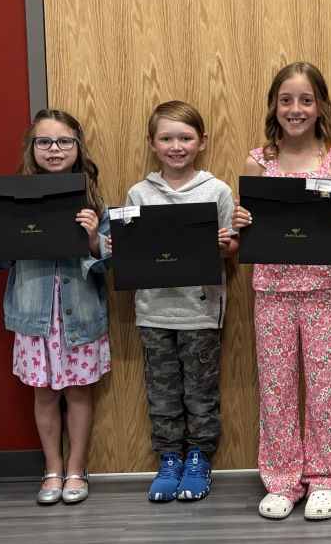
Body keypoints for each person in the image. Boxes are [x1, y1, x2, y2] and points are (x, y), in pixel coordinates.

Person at [232, 62, 331, 521]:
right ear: (274, 105)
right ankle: (283, 479)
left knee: (325, 388)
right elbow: (247, 223)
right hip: (272, 288)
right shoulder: (258, 161)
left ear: (321, 105)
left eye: (306, 99)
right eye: (286, 99)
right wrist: (241, 223)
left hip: (324, 288)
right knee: (277, 387)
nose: (296, 108)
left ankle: (325, 478)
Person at [0, 109, 110, 505]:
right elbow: (0, 260)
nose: (54, 149)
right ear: (32, 148)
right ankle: (53, 469)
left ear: (77, 146)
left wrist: (95, 238)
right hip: (34, 317)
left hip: (79, 313)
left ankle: (77, 469)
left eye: (64, 141)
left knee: (79, 393)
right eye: (44, 141)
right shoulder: (11, 200)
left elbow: (110, 263)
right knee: (44, 394)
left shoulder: (94, 201)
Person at [122, 100, 238, 502]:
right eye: (166, 138)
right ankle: (169, 457)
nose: (176, 146)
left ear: (202, 141)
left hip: (200, 311)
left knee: (201, 391)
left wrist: (226, 246)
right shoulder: (138, 192)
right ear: (152, 143)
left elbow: (233, 246)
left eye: (185, 138)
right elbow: (132, 249)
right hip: (153, 311)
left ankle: (199, 458)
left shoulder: (218, 190)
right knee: (162, 391)